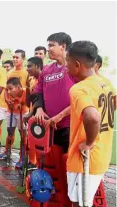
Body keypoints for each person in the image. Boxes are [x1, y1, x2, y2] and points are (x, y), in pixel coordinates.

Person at [66, 40, 114, 207]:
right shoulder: (104, 82)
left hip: (85, 159)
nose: (66, 66)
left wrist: (89, 142)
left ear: (77, 65)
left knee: (80, 203)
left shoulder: (80, 88)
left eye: (68, 62)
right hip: (102, 154)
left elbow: (92, 117)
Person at [31, 32, 74, 206]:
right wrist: (39, 108)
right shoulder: (47, 70)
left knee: (70, 169)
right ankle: (57, 200)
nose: (48, 49)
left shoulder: (75, 68)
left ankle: (72, 200)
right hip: (49, 129)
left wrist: (61, 115)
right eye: (47, 45)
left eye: (51, 45)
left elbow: (83, 98)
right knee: (53, 167)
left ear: (63, 46)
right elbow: (37, 93)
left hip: (70, 127)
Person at [0, 49, 29, 169]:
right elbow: (6, 89)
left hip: (22, 110)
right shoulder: (10, 72)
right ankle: (7, 152)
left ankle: (23, 157)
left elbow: (26, 90)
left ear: (23, 59)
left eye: (17, 57)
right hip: (10, 108)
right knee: (10, 132)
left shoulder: (26, 73)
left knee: (23, 134)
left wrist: (20, 102)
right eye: (14, 57)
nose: (15, 59)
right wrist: (7, 100)